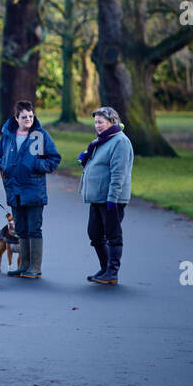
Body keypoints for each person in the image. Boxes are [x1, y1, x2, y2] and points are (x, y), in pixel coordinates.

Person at [0, 100, 61, 278]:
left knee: (34, 228)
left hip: (33, 189)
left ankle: (35, 268)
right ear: (16, 118)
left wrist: (37, 164)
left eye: (31, 116)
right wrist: (1, 165)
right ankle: (23, 265)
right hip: (14, 189)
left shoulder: (41, 135)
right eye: (24, 117)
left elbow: (54, 159)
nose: (28, 119)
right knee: (21, 228)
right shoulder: (8, 135)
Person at [78, 106, 134, 285]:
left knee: (113, 234)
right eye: (96, 122)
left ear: (112, 122)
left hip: (111, 198)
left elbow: (119, 173)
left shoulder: (120, 142)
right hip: (98, 197)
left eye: (101, 122)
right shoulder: (102, 141)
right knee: (94, 233)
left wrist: (113, 197)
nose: (98, 126)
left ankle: (112, 272)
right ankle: (105, 268)